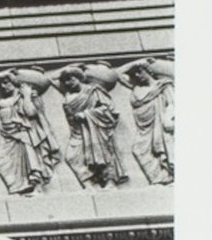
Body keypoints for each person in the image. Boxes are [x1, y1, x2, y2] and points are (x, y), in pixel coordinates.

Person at [0, 68, 60, 195]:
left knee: (32, 162)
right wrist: (1, 74)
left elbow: (31, 112)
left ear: (15, 83)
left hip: (24, 134)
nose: (3, 86)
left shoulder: (24, 96)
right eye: (1, 83)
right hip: (8, 136)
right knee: (0, 161)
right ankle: (18, 189)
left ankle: (36, 188)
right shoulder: (0, 98)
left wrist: (27, 95)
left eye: (6, 82)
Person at [51, 62, 128, 188]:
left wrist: (86, 114)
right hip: (78, 132)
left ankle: (110, 182)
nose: (68, 83)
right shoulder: (67, 93)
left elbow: (109, 109)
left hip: (96, 128)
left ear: (80, 78)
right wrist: (69, 66)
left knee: (102, 154)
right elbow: (51, 78)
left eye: (71, 79)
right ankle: (89, 185)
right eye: (65, 81)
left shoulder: (93, 90)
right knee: (72, 156)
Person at [117, 56, 174, 185]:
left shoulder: (163, 85)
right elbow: (119, 73)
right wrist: (138, 61)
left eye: (140, 71)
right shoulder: (135, 86)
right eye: (134, 74)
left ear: (149, 71)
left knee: (162, 148)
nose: (137, 75)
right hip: (144, 128)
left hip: (159, 125)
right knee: (138, 150)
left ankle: (169, 176)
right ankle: (158, 178)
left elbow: (172, 104)